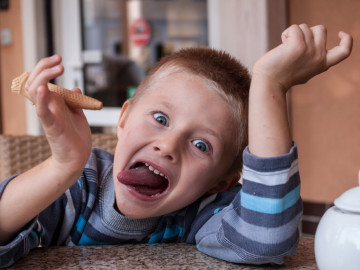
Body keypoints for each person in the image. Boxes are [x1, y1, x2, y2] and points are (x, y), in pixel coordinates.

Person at [0, 24, 352, 267]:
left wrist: (270, 86)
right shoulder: (78, 187)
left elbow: (267, 240)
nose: (168, 146)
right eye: (161, 119)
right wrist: (62, 166)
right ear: (123, 119)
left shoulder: (201, 213)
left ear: (222, 183)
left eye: (201, 144)